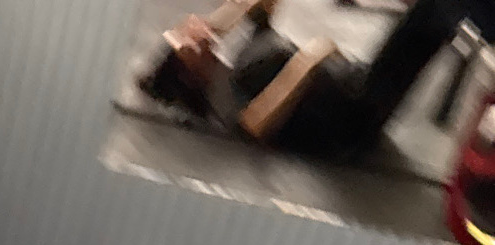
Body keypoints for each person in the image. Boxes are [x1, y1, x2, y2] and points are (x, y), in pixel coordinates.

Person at [155, 0, 495, 160]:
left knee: (435, 12)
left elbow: (261, 10)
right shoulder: (226, 108)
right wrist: (316, 54)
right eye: (186, 44)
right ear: (190, 76)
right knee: (433, 14)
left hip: (340, 82)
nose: (190, 28)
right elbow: (257, 124)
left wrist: (218, 22)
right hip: (347, 122)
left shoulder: (230, 70)